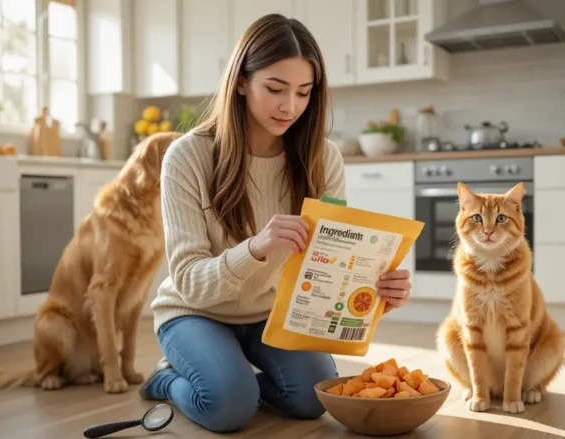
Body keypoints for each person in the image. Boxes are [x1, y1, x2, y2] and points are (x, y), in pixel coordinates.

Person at [139, 14, 413, 432]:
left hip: (274, 312)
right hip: (195, 310)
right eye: (275, 89)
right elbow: (190, 280)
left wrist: (376, 295)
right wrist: (254, 248)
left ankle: (231, 376)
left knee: (314, 397)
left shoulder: (324, 159)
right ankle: (168, 378)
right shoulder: (187, 157)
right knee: (229, 407)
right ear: (242, 81)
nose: (290, 107)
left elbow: (328, 267)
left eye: (304, 93)